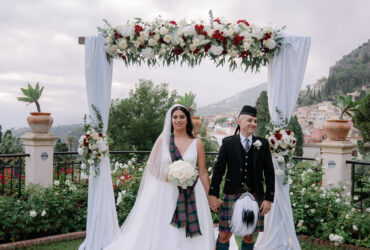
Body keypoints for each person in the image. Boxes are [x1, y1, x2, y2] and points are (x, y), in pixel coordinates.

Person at [105, 104, 215, 250]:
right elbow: (152, 167)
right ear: (170, 120)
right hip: (165, 192)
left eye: (182, 117)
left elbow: (202, 172)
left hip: (192, 192)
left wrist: (210, 195)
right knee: (162, 227)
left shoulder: (197, 143)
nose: (178, 120)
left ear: (188, 120)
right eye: (174, 117)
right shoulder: (163, 141)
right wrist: (169, 178)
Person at [208, 105, 275, 250]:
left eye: (255, 121)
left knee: (249, 235)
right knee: (224, 234)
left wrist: (269, 198)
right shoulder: (228, 143)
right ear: (240, 121)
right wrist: (213, 194)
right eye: (250, 120)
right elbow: (219, 170)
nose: (253, 124)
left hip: (255, 193)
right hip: (232, 193)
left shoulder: (262, 144)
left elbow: (269, 172)